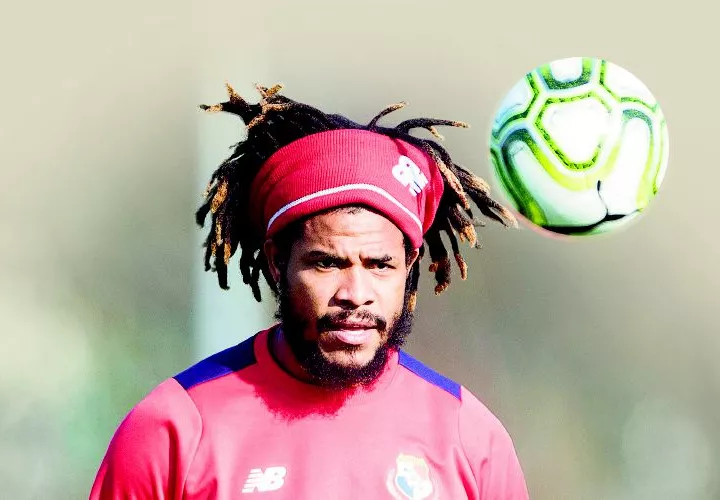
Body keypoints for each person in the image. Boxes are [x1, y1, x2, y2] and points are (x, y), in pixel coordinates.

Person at [89, 82, 529, 499]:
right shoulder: (174, 429)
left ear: (408, 265)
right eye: (327, 263)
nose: (356, 293)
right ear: (278, 261)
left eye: (380, 265)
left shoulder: (470, 437)